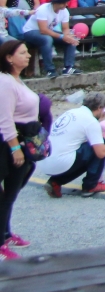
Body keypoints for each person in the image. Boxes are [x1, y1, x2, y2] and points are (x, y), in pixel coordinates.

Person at [0, 40, 40, 258]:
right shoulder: (5, 82)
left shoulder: (16, 80)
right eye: (22, 53)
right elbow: (5, 119)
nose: (28, 56)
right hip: (11, 142)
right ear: (9, 58)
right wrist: (15, 148)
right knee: (7, 194)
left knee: (12, 192)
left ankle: (6, 233)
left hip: (25, 140)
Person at [36, 91, 105, 197]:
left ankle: (55, 181)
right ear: (99, 108)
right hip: (61, 162)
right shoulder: (91, 121)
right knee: (100, 145)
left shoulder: (71, 112)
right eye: (104, 109)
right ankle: (91, 185)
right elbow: (101, 153)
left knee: (80, 155)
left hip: (44, 161)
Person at [20, 0, 79, 78]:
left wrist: (68, 36)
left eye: (66, 2)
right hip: (30, 31)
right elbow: (43, 30)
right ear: (55, 3)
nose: (66, 4)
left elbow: (65, 28)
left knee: (71, 40)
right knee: (47, 39)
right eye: (63, 3)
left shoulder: (64, 11)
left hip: (48, 31)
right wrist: (62, 37)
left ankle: (68, 67)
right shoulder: (43, 9)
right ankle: (50, 70)